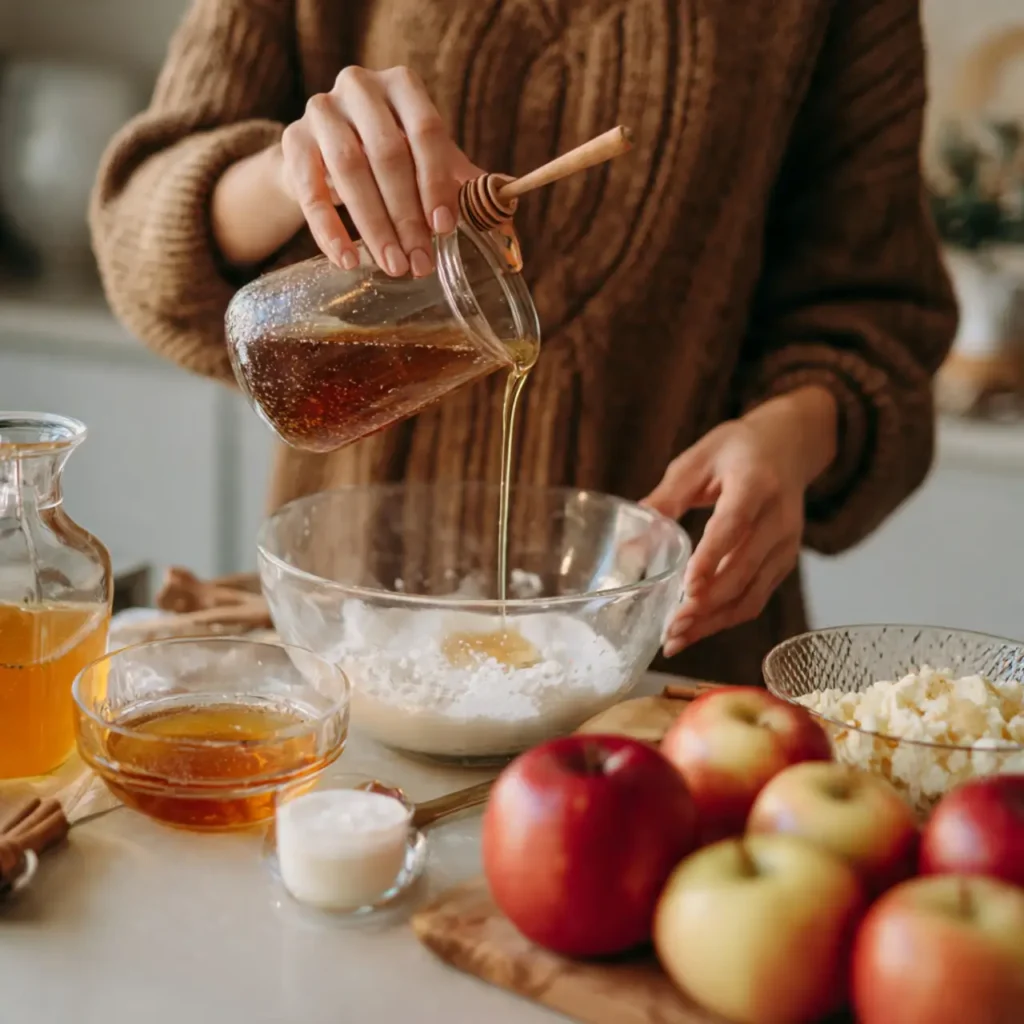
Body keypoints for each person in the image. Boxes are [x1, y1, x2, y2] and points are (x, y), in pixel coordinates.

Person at [90, 0, 957, 685]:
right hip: (354, 661)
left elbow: (879, 323)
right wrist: (291, 176)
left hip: (660, 682)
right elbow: (135, 233)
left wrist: (796, 435)